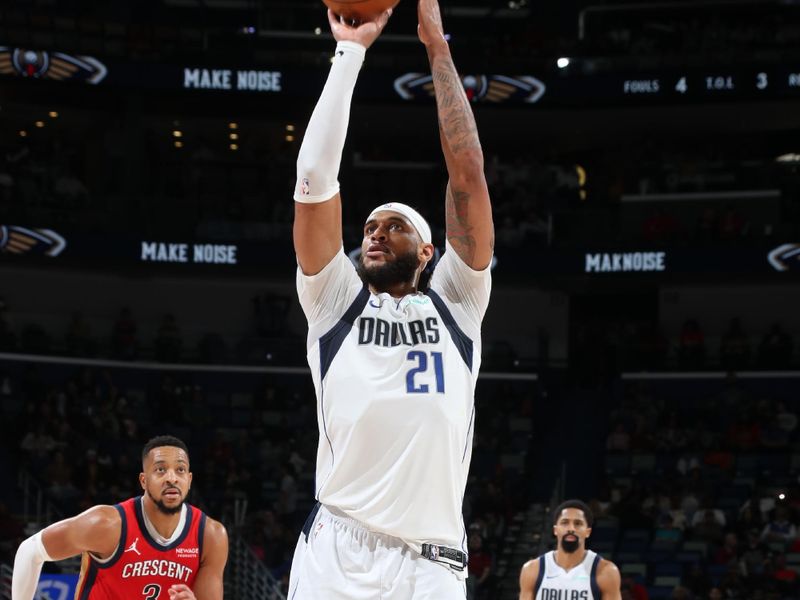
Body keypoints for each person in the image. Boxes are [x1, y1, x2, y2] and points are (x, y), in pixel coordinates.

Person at [288, 0, 494, 596]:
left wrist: (437, 46)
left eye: (393, 226)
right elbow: (313, 181)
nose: (375, 233)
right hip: (336, 544)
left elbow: (468, 176)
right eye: (370, 227)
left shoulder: (457, 302)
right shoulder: (334, 300)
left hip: (429, 563)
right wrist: (349, 53)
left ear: (428, 250)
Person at [12, 435, 228, 600]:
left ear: (189, 480)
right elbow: (30, 550)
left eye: (180, 470)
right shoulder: (107, 524)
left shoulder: (210, 536)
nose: (171, 478)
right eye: (160, 470)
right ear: (144, 481)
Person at [519, 499, 621, 600]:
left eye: (578, 523)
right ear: (555, 530)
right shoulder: (532, 570)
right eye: (565, 522)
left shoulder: (606, 572)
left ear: (588, 532)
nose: (571, 528)